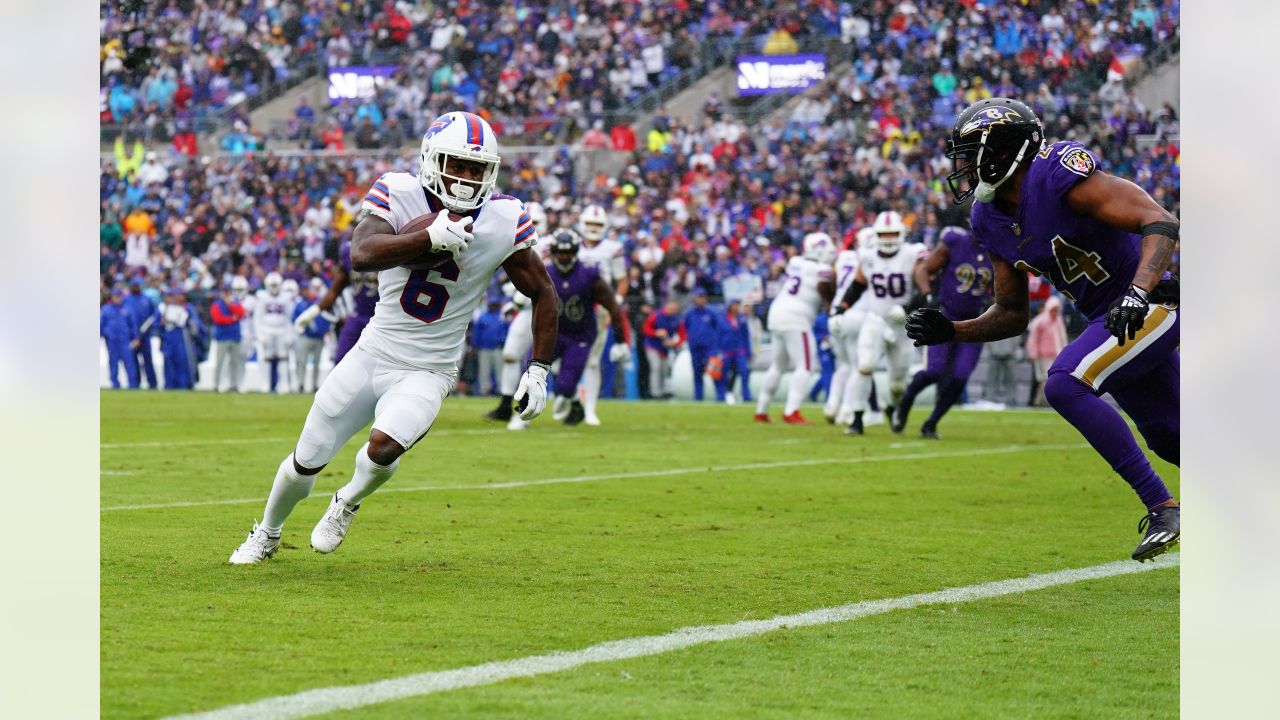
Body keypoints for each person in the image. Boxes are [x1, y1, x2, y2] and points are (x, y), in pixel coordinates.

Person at [230, 111, 558, 564]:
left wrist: (538, 369)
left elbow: (543, 292)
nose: (464, 178)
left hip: (430, 369)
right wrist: (429, 238)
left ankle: (347, 501)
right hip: (373, 353)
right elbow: (361, 254)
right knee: (305, 462)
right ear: (430, 159)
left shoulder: (504, 218)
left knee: (384, 447)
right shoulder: (399, 191)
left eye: (475, 169)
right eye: (455, 165)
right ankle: (266, 533)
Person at [907, 97, 1181, 561]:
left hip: (1151, 303)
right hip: (1108, 320)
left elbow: (1160, 221)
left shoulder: (1056, 174)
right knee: (1174, 438)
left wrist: (1137, 292)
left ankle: (1162, 507)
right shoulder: (987, 217)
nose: (962, 166)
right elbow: (1011, 312)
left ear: (1003, 149)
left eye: (971, 152)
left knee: (1065, 384)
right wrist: (951, 330)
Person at [515, 228, 629, 429]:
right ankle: (522, 413)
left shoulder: (589, 275)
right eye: (560, 252)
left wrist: (621, 340)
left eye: (568, 252)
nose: (564, 257)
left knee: (566, 385)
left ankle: (573, 401)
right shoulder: (545, 272)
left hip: (580, 336)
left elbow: (612, 306)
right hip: (554, 333)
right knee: (528, 369)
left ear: (576, 252)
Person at [893, 225, 994, 438]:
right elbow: (924, 271)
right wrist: (928, 296)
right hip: (945, 316)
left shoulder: (999, 248)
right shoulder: (955, 241)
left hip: (975, 322)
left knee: (960, 376)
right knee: (934, 370)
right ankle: (905, 402)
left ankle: (931, 423)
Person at [831, 213, 925, 435]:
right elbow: (857, 285)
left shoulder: (912, 255)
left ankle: (892, 407)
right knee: (864, 366)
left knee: (897, 383)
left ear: (902, 234)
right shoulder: (868, 256)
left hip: (903, 325)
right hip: (875, 320)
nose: (889, 238)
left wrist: (906, 309)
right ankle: (857, 419)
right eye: (885, 234)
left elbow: (925, 289)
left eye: (893, 233)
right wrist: (840, 309)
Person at [754, 232, 836, 424]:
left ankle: (761, 410)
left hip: (777, 313)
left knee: (777, 365)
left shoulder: (796, 262)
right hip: (797, 317)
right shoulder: (823, 270)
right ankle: (792, 411)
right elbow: (825, 289)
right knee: (805, 365)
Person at [485, 202, 550, 426]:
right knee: (511, 355)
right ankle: (505, 404)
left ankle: (563, 401)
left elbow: (543, 285)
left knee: (543, 362)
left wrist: (515, 300)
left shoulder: (548, 245)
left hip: (543, 308)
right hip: (524, 309)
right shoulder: (513, 241)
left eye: (537, 222)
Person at [574, 204, 630, 424]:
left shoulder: (612, 248)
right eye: (590, 223)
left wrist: (614, 304)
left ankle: (589, 409)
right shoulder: (569, 244)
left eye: (598, 224)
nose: (593, 228)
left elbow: (622, 281)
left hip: (599, 309)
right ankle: (569, 400)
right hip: (571, 307)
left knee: (592, 361)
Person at [826, 227, 873, 425]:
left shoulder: (844, 257)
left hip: (836, 314)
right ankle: (846, 410)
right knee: (857, 368)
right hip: (856, 314)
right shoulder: (872, 259)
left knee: (842, 366)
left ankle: (831, 404)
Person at [254, 271, 294, 393]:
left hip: (281, 330)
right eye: (272, 285)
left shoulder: (285, 298)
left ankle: (284, 385)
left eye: (276, 285)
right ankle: (265, 384)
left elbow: (289, 318)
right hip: (267, 330)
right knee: (266, 359)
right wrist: (259, 335)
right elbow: (257, 317)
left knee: (283, 358)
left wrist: (289, 334)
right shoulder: (262, 297)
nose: (274, 288)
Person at [1025, 295, 1068, 406]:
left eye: (1057, 310)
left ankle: (1043, 401)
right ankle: (1041, 401)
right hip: (1043, 355)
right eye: (1053, 309)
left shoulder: (1058, 320)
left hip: (1057, 355)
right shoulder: (1040, 320)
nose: (1055, 312)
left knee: (1050, 380)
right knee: (1044, 379)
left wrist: (1065, 351)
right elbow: (1033, 338)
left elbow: (1062, 337)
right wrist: (1033, 353)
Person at [291, 278, 332, 394]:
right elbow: (294, 319)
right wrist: (301, 330)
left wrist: (324, 330)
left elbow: (326, 318)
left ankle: (315, 385)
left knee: (316, 363)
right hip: (305, 337)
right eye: (303, 289)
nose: (305, 291)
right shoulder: (299, 305)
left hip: (318, 337)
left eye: (307, 289)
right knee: (301, 362)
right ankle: (300, 384)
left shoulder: (320, 303)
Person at [683, 288, 721, 401]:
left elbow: (717, 328)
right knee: (697, 374)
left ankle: (720, 396)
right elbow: (685, 327)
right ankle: (698, 397)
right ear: (694, 298)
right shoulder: (689, 313)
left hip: (710, 349)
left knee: (715, 373)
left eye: (703, 297)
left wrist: (715, 346)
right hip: (695, 349)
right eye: (699, 297)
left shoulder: (711, 313)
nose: (701, 299)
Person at [643, 299, 685, 399]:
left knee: (664, 369)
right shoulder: (656, 316)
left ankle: (663, 391)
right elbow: (646, 329)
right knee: (656, 367)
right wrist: (656, 333)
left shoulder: (676, 319)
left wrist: (675, 343)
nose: (672, 310)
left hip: (665, 348)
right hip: (652, 346)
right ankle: (655, 393)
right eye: (671, 308)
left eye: (674, 308)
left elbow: (682, 335)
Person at [159, 287, 199, 390]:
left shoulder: (186, 308)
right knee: (168, 362)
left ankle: (183, 385)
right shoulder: (165, 308)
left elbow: (189, 323)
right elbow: (158, 322)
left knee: (182, 362)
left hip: (182, 337)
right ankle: (169, 385)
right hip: (169, 338)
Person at [210, 282, 247, 393]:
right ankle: (216, 384)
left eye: (228, 292)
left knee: (234, 362)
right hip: (222, 337)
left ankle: (234, 384)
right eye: (224, 292)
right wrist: (232, 319)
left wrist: (230, 306)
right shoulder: (216, 305)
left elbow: (241, 314)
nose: (226, 294)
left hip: (235, 336)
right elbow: (218, 319)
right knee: (219, 362)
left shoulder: (235, 303)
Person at [101, 286, 140, 389]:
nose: (117, 299)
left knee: (129, 364)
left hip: (125, 341)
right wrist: (103, 334)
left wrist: (136, 338)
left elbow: (133, 325)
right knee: (113, 364)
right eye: (115, 296)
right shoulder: (106, 310)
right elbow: (101, 324)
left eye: (119, 296)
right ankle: (115, 385)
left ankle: (133, 385)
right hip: (112, 341)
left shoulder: (127, 309)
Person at [715, 299, 752, 403]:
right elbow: (718, 336)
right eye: (734, 305)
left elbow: (746, 337)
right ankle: (721, 396)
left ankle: (746, 395)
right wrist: (717, 352)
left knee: (744, 372)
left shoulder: (742, 320)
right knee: (723, 374)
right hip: (726, 351)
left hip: (740, 351)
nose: (736, 307)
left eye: (737, 305)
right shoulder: (722, 320)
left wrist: (748, 353)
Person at [122, 282, 159, 389]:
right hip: (132, 337)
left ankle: (152, 384)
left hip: (145, 336)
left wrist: (149, 329)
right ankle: (135, 384)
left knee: (148, 361)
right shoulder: (126, 300)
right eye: (134, 285)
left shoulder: (146, 300)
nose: (135, 287)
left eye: (137, 285)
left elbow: (154, 316)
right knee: (133, 362)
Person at [470, 298, 508, 396]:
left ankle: (501, 391)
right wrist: (475, 346)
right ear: (488, 305)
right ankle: (483, 391)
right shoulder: (483, 316)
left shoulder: (502, 316)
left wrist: (503, 341)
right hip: (484, 349)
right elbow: (476, 333)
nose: (493, 306)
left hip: (498, 348)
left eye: (494, 304)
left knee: (500, 371)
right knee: (484, 371)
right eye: (491, 304)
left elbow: (507, 331)